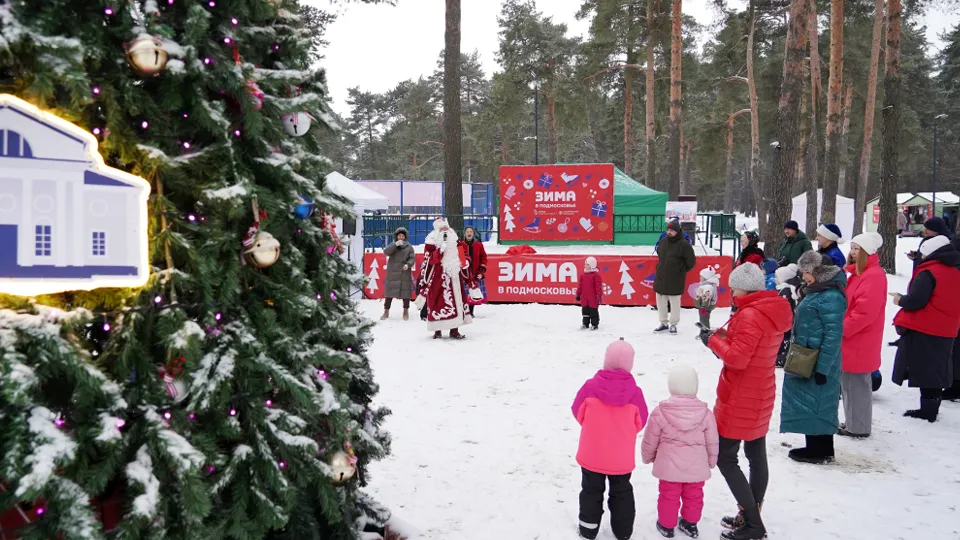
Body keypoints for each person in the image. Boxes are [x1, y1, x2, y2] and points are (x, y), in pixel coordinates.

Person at [701, 262, 792, 540]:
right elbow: (751, 344)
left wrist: (711, 342)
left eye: (734, 285)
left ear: (744, 286)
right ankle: (750, 513)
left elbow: (738, 358)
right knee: (755, 454)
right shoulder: (768, 309)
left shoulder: (751, 315)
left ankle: (753, 523)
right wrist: (718, 334)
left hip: (741, 394)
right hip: (760, 391)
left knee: (726, 458)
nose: (731, 290)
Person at [572, 338, 649, 540]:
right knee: (622, 492)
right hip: (620, 458)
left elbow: (577, 411)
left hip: (592, 453)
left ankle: (588, 529)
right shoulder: (635, 393)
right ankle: (623, 532)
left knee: (590, 490)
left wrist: (593, 428)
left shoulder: (590, 387)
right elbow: (641, 421)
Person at [780, 252, 846, 465]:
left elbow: (833, 336)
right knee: (813, 402)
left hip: (818, 360)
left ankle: (819, 450)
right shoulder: (818, 292)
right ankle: (819, 447)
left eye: (807, 272)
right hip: (809, 357)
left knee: (818, 403)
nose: (804, 276)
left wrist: (823, 368)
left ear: (820, 273)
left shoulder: (831, 296)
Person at [641, 365, 719, 539]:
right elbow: (712, 441)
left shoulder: (660, 412)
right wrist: (712, 460)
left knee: (668, 495)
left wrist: (648, 456)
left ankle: (666, 525)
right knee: (694, 495)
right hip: (696, 467)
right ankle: (690, 524)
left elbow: (650, 438)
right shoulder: (705, 414)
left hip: (669, 467)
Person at [891, 235, 960, 422]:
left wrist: (900, 300)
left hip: (928, 327)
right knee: (937, 368)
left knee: (926, 369)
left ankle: (927, 410)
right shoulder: (953, 270)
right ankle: (932, 407)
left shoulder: (929, 272)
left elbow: (916, 300)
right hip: (948, 326)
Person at [838, 233, 887, 438]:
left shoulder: (873, 276)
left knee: (856, 385)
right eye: (852, 248)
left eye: (857, 249)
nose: (852, 252)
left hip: (859, 340)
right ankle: (854, 422)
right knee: (849, 384)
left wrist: (841, 330)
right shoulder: (860, 274)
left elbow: (864, 313)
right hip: (853, 338)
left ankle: (858, 426)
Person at [415, 218, 472, 339]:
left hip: (454, 275)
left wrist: (466, 261)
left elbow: (463, 253)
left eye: (446, 228)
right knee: (437, 303)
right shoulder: (431, 243)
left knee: (457, 303)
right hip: (437, 278)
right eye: (442, 229)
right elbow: (429, 260)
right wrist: (439, 250)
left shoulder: (455, 240)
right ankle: (437, 330)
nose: (445, 231)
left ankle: (454, 329)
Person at [654, 220, 696, 335]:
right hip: (661, 277)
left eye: (672, 230)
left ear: (677, 231)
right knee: (661, 302)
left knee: (674, 303)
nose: (669, 232)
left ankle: (673, 324)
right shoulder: (663, 242)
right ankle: (663, 323)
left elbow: (691, 262)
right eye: (668, 230)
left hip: (675, 278)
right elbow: (660, 254)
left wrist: (680, 270)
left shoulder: (684, 244)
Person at [381, 227, 416, 321]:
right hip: (392, 272)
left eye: (402, 236)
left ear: (405, 237)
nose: (401, 237)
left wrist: (408, 265)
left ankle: (405, 311)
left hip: (404, 272)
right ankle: (386, 311)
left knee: (406, 294)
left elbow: (412, 258)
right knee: (389, 293)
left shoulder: (409, 247)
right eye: (399, 235)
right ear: (396, 237)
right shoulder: (393, 245)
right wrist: (395, 245)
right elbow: (386, 252)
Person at [774, 264, 802, 368]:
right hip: (789, 321)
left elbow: (784, 307)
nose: (775, 279)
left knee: (785, 340)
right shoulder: (786, 289)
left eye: (777, 277)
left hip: (787, 321)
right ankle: (782, 357)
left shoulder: (786, 291)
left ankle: (782, 358)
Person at [461, 226, 488, 316]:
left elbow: (483, 257)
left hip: (475, 272)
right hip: (463, 274)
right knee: (464, 294)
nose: (469, 233)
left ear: (473, 234)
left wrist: (481, 269)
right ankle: (464, 311)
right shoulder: (460, 245)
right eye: (467, 231)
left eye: (471, 231)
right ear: (465, 233)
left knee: (473, 293)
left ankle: (471, 312)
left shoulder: (478, 245)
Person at [577, 256, 603, 330]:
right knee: (585, 310)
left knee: (593, 310)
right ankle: (585, 323)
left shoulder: (596, 275)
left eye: (587, 264)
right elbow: (580, 285)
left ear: (592, 265)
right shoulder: (583, 275)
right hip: (584, 297)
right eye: (585, 264)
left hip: (593, 297)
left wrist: (599, 295)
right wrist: (578, 294)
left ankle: (594, 324)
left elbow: (598, 286)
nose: (586, 266)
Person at [695, 267, 720, 337]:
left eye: (701, 276)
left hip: (705, 307)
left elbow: (705, 298)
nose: (700, 277)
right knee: (704, 318)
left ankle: (705, 333)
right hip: (706, 306)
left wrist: (703, 307)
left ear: (706, 278)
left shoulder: (707, 287)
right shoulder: (709, 285)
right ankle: (703, 333)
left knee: (704, 320)